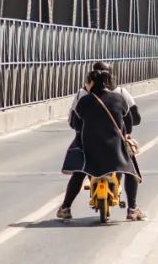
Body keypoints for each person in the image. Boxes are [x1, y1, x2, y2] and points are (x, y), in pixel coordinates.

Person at [57, 63, 145, 222]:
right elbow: (131, 120)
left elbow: (75, 123)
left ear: (91, 81)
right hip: (115, 148)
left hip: (89, 148)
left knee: (79, 172)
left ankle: (66, 207)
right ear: (110, 77)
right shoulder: (120, 95)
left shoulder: (83, 98)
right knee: (131, 170)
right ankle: (132, 208)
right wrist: (126, 134)